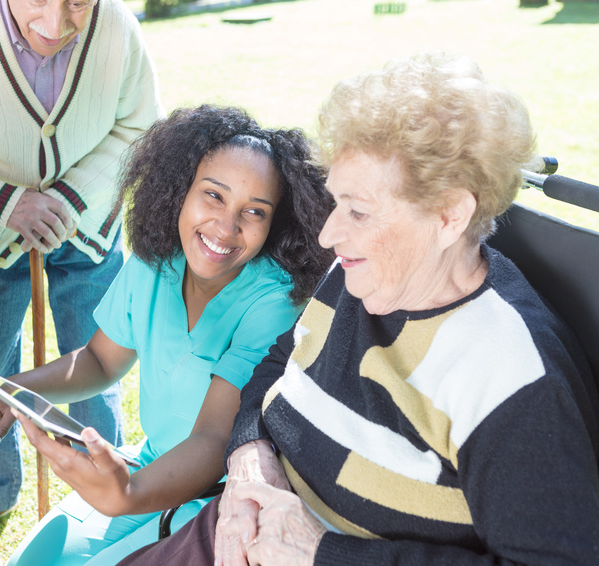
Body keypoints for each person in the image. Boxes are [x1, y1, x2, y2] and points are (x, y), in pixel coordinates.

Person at [116, 53, 599, 566]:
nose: (329, 234)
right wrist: (249, 452)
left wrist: (323, 552)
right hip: (229, 533)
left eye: (358, 211)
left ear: (449, 215)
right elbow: (280, 365)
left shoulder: (512, 378)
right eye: (336, 202)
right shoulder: (358, 273)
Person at [0, 105, 335, 565]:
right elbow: (102, 361)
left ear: (274, 224)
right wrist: (16, 389)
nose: (226, 226)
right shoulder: (154, 263)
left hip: (221, 492)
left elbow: (216, 438)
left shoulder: (273, 302)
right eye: (213, 196)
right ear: (180, 190)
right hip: (152, 462)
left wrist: (128, 493)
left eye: (253, 212)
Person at [0, 0, 164, 515]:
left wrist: (70, 198)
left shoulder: (118, 28)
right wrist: (6, 201)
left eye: (77, 5)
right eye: (37, 1)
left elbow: (140, 128)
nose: (54, 25)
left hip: (87, 225)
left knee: (96, 355)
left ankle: (109, 493)